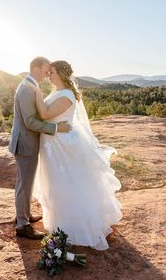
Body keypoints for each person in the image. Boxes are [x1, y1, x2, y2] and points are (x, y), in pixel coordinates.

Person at [32, 60, 122, 250]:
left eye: (52, 72)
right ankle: (59, 221)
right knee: (55, 183)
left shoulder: (67, 95)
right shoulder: (57, 92)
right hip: (52, 143)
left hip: (62, 146)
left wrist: (35, 92)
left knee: (65, 182)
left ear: (62, 74)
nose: (49, 76)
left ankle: (74, 226)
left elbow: (46, 114)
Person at [8, 57, 71, 240]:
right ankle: (22, 225)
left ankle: (24, 216)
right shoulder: (28, 89)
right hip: (26, 143)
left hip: (25, 142)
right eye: (45, 70)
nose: (47, 74)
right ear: (36, 69)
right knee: (24, 184)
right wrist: (56, 128)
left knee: (24, 183)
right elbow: (30, 122)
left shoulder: (29, 85)